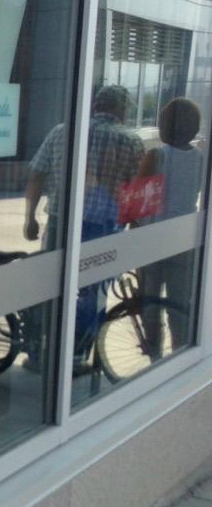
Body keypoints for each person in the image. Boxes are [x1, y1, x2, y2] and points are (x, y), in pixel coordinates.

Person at [24, 86, 144, 248]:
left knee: (54, 263)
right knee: (99, 264)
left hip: (61, 220)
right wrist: (137, 227)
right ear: (122, 110)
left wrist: (30, 218)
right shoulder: (130, 140)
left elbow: (36, 176)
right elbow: (137, 190)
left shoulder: (61, 132)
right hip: (105, 224)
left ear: (95, 106)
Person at [137, 96, 203, 352]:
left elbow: (136, 199)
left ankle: (155, 353)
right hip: (186, 237)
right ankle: (180, 352)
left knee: (150, 299)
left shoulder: (156, 156)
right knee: (179, 302)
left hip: (154, 237)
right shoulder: (200, 158)